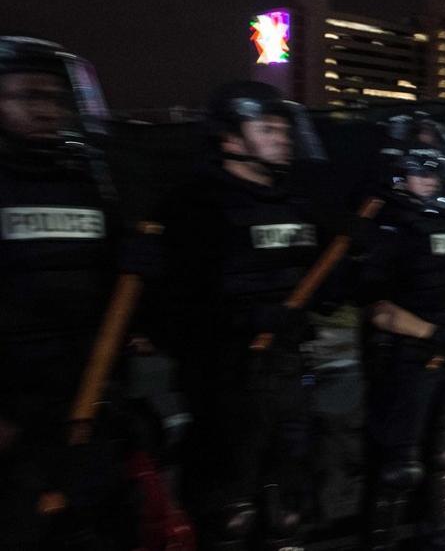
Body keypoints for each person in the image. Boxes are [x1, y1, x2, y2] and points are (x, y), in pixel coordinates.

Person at [152, 81, 326, 550]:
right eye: (267, 129)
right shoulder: (196, 206)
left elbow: (322, 290)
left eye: (284, 129)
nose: (282, 138)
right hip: (226, 377)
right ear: (230, 140)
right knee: (230, 512)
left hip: (287, 371)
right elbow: (170, 312)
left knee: (289, 501)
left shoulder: (294, 203)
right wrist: (245, 322)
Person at [0, 36, 137, 548]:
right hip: (13, 419)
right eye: (28, 96)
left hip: (87, 403)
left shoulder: (88, 186)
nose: (47, 110)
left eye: (56, 99)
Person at [356, 116, 445, 550]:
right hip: (407, 352)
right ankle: (381, 540)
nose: (430, 179)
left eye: (434, 170)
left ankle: (443, 531)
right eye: (420, 171)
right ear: (400, 175)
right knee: (400, 462)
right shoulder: (389, 228)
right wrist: (430, 334)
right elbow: (377, 309)